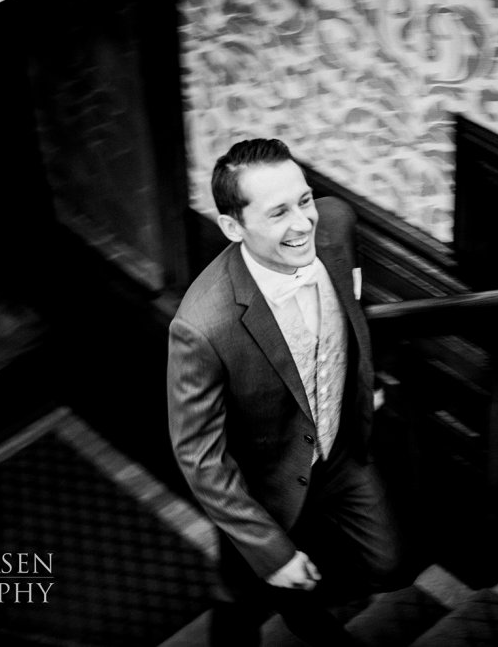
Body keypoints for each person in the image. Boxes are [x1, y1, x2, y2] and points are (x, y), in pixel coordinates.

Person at [166, 138, 401, 646]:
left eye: (304, 200)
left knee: (385, 563)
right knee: (243, 593)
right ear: (234, 227)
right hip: (264, 481)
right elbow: (199, 456)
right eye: (278, 212)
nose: (303, 223)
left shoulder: (335, 224)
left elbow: (353, 308)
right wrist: (273, 554)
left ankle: (298, 600)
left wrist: (365, 385)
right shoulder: (201, 326)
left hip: (340, 450)